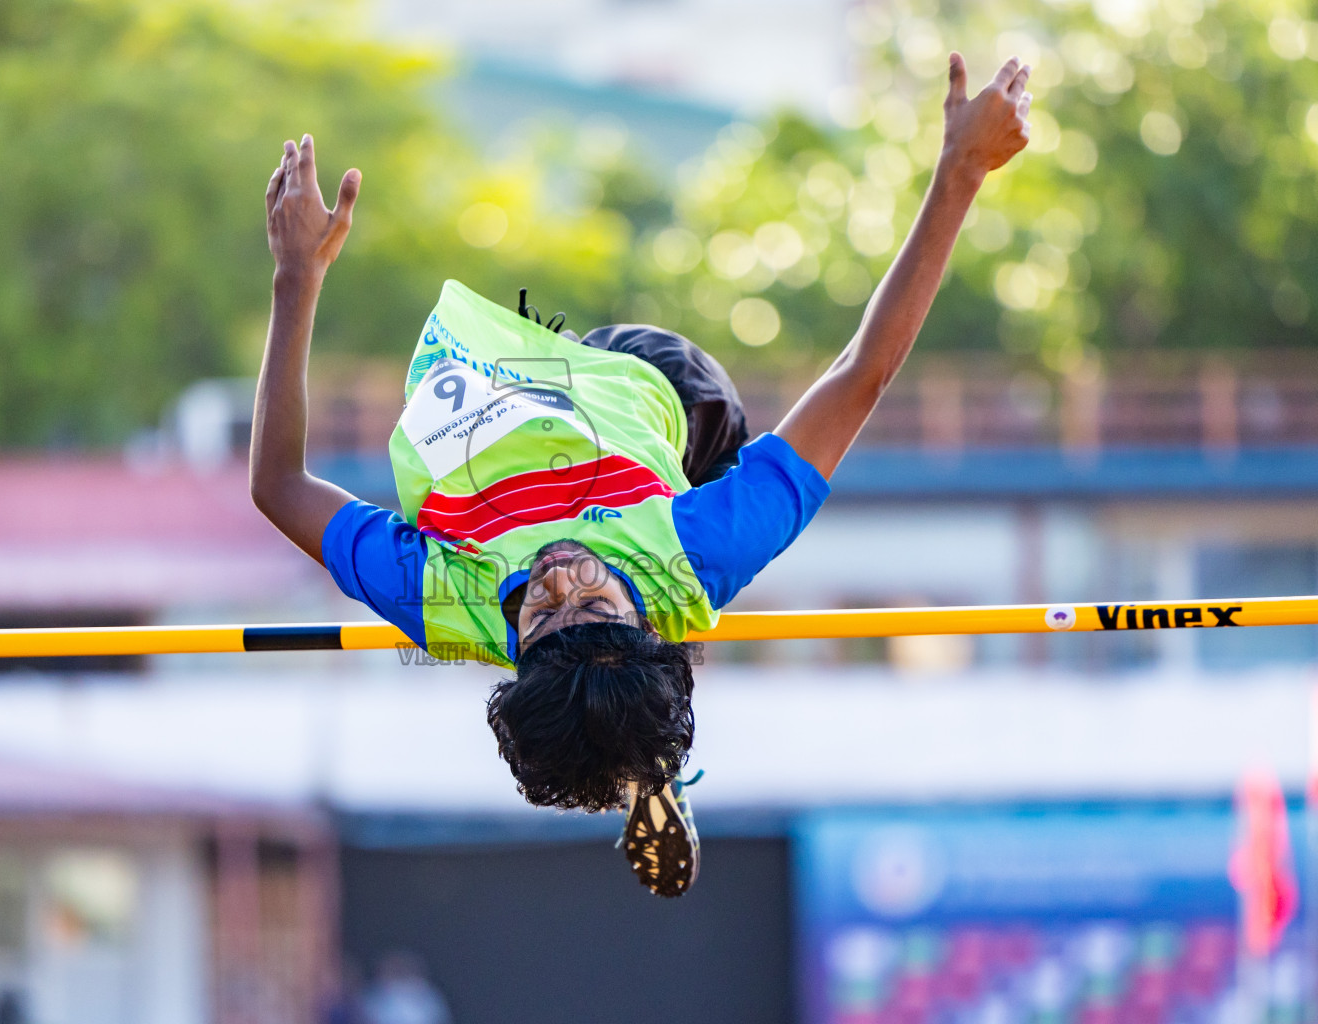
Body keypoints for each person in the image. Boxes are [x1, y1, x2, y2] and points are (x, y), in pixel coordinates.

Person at [250, 52, 1033, 897]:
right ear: (638, 619)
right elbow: (859, 375)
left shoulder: (450, 597)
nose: (562, 576)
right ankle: (650, 759)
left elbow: (279, 488)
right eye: (596, 599)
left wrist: (298, 278)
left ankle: (640, 751)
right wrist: (960, 174)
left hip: (506, 392)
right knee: (678, 592)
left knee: (595, 664)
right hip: (663, 403)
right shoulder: (696, 552)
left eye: (545, 613)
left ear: (516, 652)